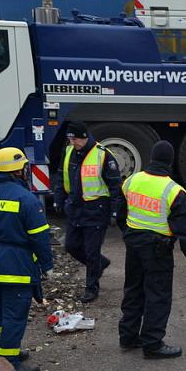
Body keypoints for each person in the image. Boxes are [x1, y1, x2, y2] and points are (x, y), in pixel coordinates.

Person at [0, 147, 53, 371]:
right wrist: (47, 265)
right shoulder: (26, 199)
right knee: (15, 315)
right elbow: (40, 237)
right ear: (19, 170)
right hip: (16, 269)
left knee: (0, 312)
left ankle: (8, 349)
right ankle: (9, 360)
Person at [117, 141, 186, 359]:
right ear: (170, 162)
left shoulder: (131, 180)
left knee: (133, 290)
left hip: (133, 244)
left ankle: (128, 336)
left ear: (151, 157)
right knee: (158, 295)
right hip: (157, 249)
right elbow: (184, 228)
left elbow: (120, 213)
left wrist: (128, 233)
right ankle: (152, 343)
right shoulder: (173, 190)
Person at [52, 122, 121, 303]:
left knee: (91, 252)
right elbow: (61, 176)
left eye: (74, 139)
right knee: (71, 246)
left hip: (96, 211)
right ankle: (101, 263)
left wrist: (114, 212)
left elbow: (115, 186)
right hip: (75, 208)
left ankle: (91, 288)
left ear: (84, 137)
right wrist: (58, 199)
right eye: (70, 139)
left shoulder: (103, 155)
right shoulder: (69, 152)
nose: (72, 142)